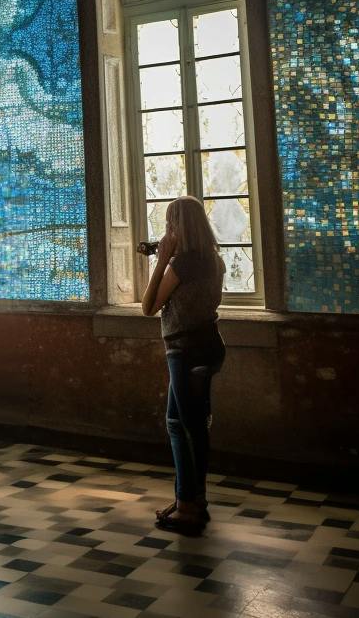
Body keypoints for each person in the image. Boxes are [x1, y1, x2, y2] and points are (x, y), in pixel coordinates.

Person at [141, 195, 226, 535]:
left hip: (185, 350)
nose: (166, 230)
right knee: (185, 423)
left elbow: (149, 306)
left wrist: (161, 261)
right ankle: (189, 499)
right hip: (209, 346)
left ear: (179, 226)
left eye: (170, 224)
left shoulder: (182, 264)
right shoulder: (215, 260)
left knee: (185, 426)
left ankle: (189, 507)